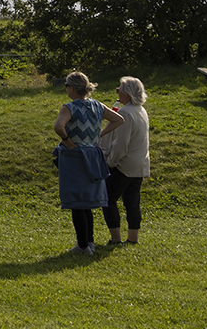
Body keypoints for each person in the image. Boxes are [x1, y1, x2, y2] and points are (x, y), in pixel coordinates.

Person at [54, 71, 124, 255]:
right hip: (93, 156)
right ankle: (90, 242)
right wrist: (100, 134)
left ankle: (83, 245)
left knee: (77, 203)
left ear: (71, 88)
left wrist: (67, 141)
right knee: (87, 202)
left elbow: (58, 126)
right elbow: (118, 119)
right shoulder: (97, 105)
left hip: (75, 157)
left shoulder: (69, 107)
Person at [101, 77, 150, 245]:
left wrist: (111, 162)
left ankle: (116, 238)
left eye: (119, 89)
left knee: (107, 198)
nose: (118, 92)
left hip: (124, 165)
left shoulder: (125, 113)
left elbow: (121, 144)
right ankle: (133, 238)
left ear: (127, 93)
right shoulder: (141, 110)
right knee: (132, 201)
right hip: (139, 165)